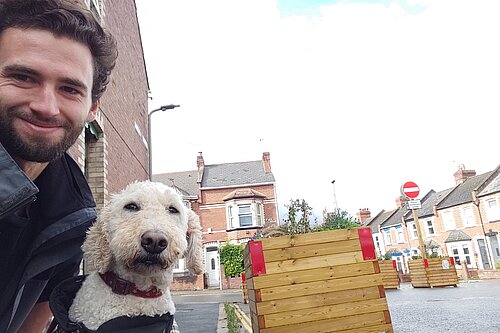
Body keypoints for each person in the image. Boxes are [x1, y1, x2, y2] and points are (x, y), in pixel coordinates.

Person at [0, 0, 117, 332]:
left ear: (92, 107)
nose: (46, 107)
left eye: (69, 89)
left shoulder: (70, 220)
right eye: (23, 77)